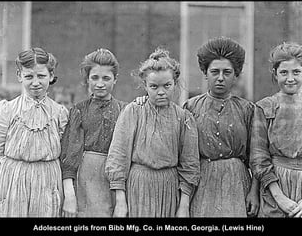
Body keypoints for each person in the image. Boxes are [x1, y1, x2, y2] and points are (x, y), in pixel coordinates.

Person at [105, 47, 200, 217]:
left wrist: (184, 205)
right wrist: (120, 201)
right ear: (145, 86)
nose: (161, 92)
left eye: (167, 85)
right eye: (154, 86)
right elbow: (118, 156)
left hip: (169, 188)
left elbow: (190, 163)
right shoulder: (133, 111)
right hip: (138, 186)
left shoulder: (184, 117)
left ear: (175, 83)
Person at [183, 37, 260, 217]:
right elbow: (184, 155)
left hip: (237, 183)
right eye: (214, 71)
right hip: (202, 183)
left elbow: (257, 156)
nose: (220, 78)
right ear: (205, 73)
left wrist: (254, 192)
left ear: (236, 74)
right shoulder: (190, 107)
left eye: (227, 72)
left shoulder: (248, 109)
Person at [0, 47, 69, 217]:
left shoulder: (59, 113)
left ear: (51, 75)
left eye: (41, 76)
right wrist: (9, 178)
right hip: (13, 181)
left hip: (48, 181)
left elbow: (65, 152)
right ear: (19, 76)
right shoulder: (7, 110)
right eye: (28, 76)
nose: (35, 82)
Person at [60, 48, 127, 217]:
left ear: (115, 79)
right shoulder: (79, 110)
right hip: (86, 179)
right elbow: (70, 157)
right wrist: (69, 195)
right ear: (87, 80)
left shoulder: (125, 110)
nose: (100, 83)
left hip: (115, 179)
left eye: (106, 78)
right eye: (94, 77)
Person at [250, 42, 302, 217]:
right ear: (275, 74)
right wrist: (280, 198)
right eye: (283, 72)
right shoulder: (265, 107)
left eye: (296, 72)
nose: (290, 78)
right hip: (274, 188)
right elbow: (258, 157)